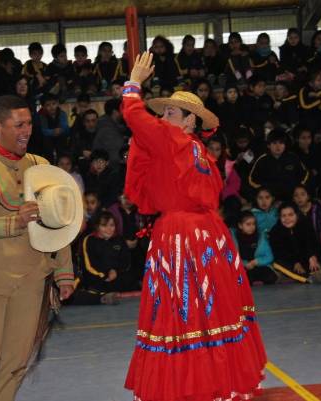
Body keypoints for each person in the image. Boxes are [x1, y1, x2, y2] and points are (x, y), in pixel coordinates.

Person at [121, 53, 265, 401]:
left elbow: (133, 115)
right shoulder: (199, 150)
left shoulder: (172, 140)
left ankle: (188, 385)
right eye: (164, 111)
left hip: (179, 236)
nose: (163, 116)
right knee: (212, 309)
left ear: (189, 121)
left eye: (170, 112)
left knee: (179, 311)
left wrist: (134, 83)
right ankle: (218, 382)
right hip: (210, 234)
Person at [0, 95, 75, 401]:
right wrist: (16, 221)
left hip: (32, 281)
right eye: (18, 124)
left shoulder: (42, 166)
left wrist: (64, 273)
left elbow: (61, 224)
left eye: (29, 124)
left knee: (15, 362)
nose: (26, 131)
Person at [80, 211, 137, 293]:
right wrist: (105, 275)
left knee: (131, 278)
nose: (108, 229)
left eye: (111, 225)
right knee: (93, 283)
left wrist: (115, 271)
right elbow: (89, 265)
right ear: (97, 226)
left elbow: (126, 261)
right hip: (98, 277)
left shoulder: (119, 239)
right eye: (104, 225)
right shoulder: (89, 240)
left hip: (117, 276)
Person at [269, 203, 321, 283]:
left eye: (290, 215)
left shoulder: (305, 225)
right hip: (289, 260)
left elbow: (313, 243)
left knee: (315, 263)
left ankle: (306, 275)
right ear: (279, 217)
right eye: (283, 216)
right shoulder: (275, 231)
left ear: (297, 215)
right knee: (279, 264)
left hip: (304, 258)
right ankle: (306, 278)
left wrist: (312, 256)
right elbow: (280, 252)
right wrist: (295, 263)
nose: (287, 218)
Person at [249, 128, 309, 201]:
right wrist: (264, 189)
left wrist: (297, 186)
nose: (278, 146)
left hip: (291, 196)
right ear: (268, 145)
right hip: (269, 198)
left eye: (281, 143)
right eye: (274, 143)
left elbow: (305, 173)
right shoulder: (262, 160)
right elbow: (252, 179)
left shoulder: (293, 158)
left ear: (285, 145)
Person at [230, 211, 277, 285]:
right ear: (240, 225)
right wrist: (245, 264)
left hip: (259, 266)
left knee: (270, 277)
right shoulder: (234, 238)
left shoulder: (260, 237)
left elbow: (269, 257)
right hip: (243, 267)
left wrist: (256, 262)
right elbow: (232, 258)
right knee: (243, 279)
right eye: (248, 224)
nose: (252, 227)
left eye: (253, 224)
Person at [36, 93, 70, 164]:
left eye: (53, 104)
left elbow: (65, 127)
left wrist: (60, 131)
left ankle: (61, 162)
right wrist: (53, 132)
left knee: (63, 139)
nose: (52, 107)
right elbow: (43, 130)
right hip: (47, 140)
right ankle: (49, 163)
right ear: (43, 107)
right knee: (45, 140)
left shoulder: (62, 113)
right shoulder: (42, 115)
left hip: (60, 137)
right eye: (48, 105)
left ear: (57, 104)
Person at [92, 98, 126, 169]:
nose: (125, 112)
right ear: (115, 112)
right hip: (113, 172)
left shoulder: (111, 127)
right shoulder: (108, 131)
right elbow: (115, 156)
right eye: (123, 109)